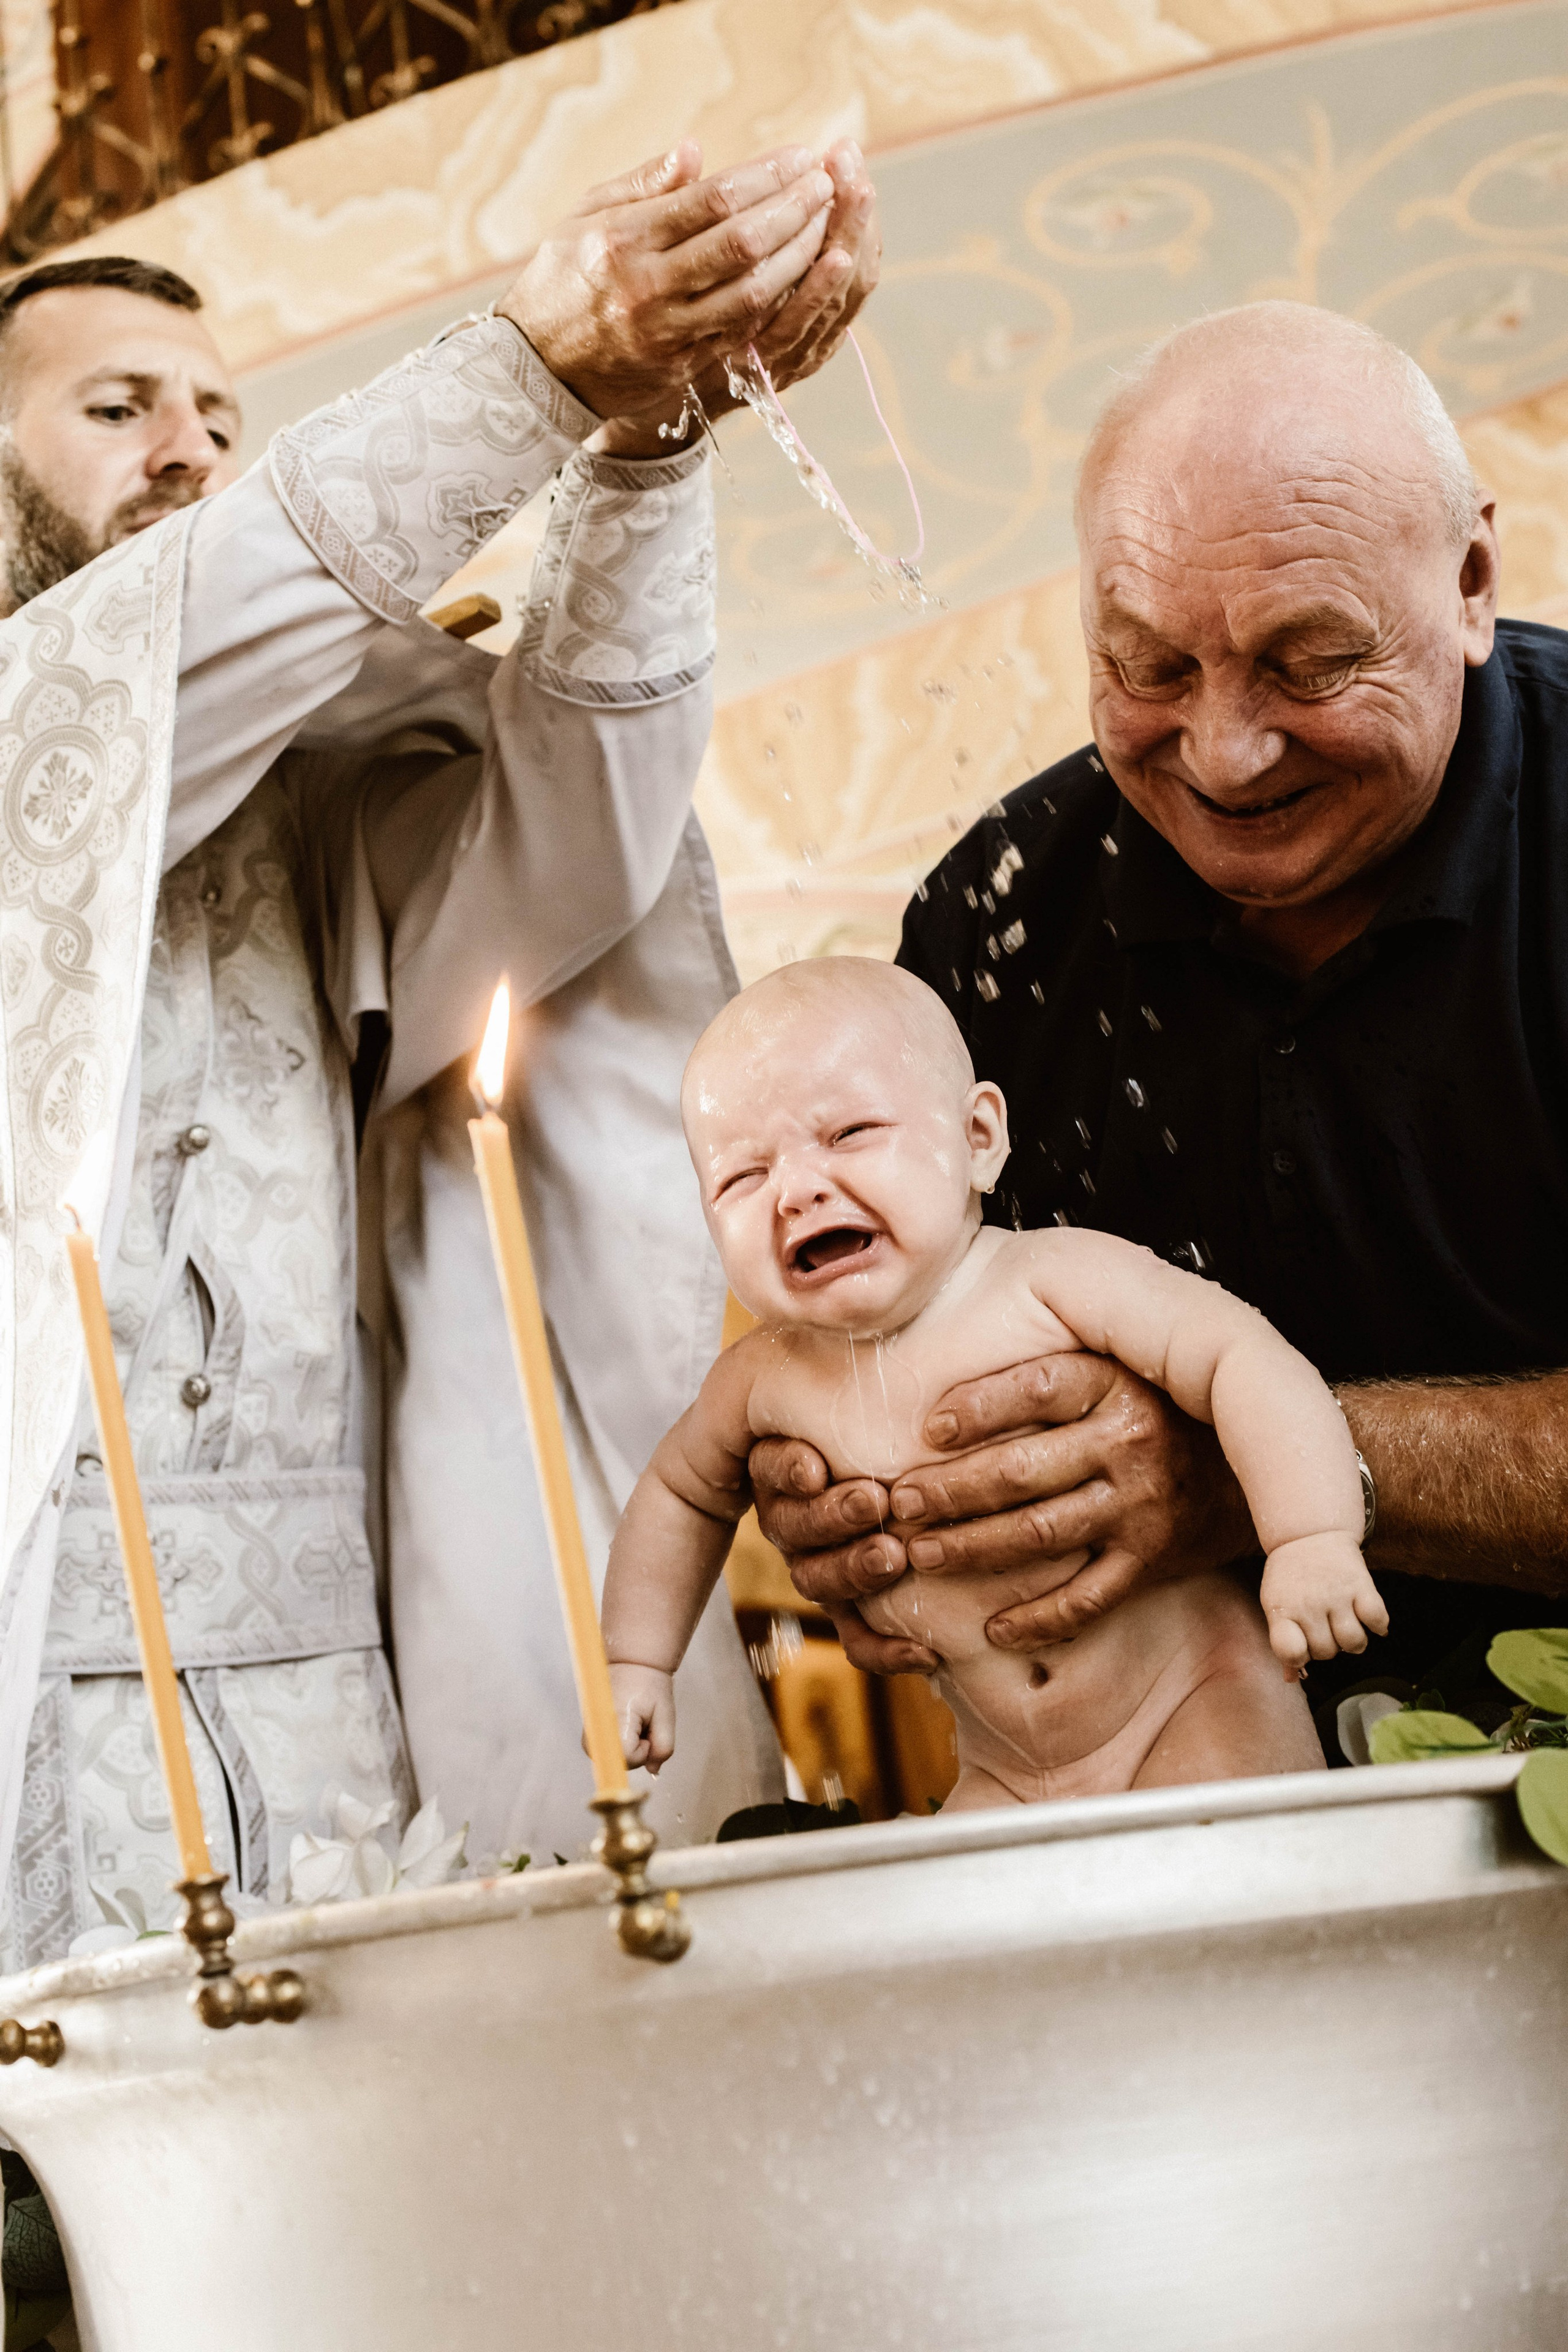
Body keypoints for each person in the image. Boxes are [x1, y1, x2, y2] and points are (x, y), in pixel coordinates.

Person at [0, 136, 882, 1970]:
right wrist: (539, 363)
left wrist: (643, 446)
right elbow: (141, 668)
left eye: (220, 412)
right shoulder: (42, 728)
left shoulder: (317, 798)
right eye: (115, 405)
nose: (189, 445)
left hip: (337, 1728)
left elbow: (574, 852)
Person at [750, 301, 1568, 1735]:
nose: (1225, 753)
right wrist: (850, 1478)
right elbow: (889, 1341)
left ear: (1469, 577)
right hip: (1179, 1787)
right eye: (1147, 667)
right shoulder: (994, 917)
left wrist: (1249, 1466)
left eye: (1309, 663)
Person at [602, 957, 1365, 1803]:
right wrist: (636, 1660)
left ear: (978, 1137)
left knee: (1217, 1891)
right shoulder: (760, 1378)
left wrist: (1311, 1538)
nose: (796, 1192)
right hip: (1004, 1767)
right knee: (959, 1926)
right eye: (744, 1178)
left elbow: (1239, 1357)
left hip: (1194, 1695)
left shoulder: (1052, 1279)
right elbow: (680, 1495)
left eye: (849, 1134)